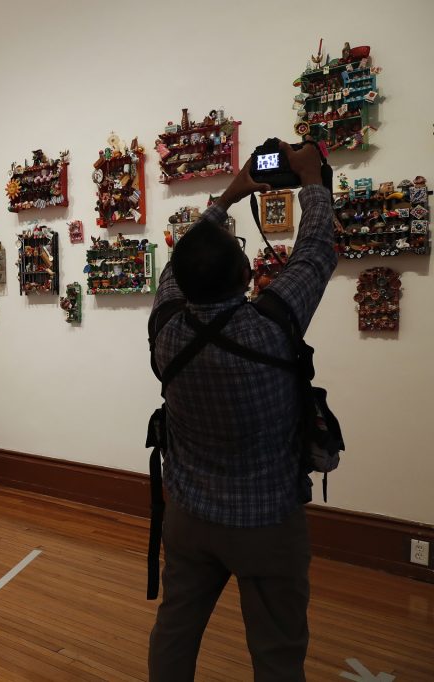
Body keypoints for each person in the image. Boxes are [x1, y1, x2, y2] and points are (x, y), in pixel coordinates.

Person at [147, 141, 335, 681]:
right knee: (277, 653)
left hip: (187, 515)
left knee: (175, 633)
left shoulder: (165, 329)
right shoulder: (272, 325)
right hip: (267, 521)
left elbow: (179, 263)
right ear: (247, 275)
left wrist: (227, 197)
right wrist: (312, 180)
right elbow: (317, 251)